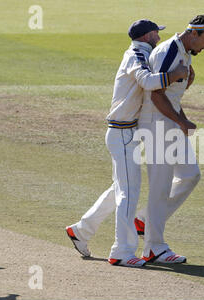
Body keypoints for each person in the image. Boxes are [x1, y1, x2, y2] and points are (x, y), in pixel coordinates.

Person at [65, 19, 188, 267]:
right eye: (156, 33)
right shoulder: (136, 54)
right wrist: (176, 74)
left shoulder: (143, 52)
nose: (158, 37)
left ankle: (81, 230)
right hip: (121, 133)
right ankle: (121, 251)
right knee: (128, 193)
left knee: (119, 189)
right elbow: (149, 82)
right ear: (146, 36)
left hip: (127, 132)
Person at [134, 14, 204, 264]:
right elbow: (156, 94)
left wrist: (182, 116)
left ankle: (145, 220)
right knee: (160, 188)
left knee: (191, 174)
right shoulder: (170, 50)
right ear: (193, 33)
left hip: (168, 121)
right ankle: (154, 247)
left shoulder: (185, 52)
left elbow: (171, 96)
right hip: (156, 124)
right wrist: (180, 121)